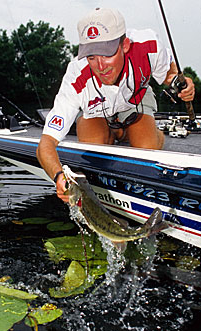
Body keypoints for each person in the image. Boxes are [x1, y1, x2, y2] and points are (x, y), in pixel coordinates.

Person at [37, 7, 195, 203]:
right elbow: (45, 145)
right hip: (96, 114)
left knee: (146, 151)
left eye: (107, 54)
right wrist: (58, 176)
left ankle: (150, 134)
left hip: (135, 100)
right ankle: (116, 134)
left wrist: (181, 83)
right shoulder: (75, 77)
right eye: (92, 57)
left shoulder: (149, 46)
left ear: (125, 45)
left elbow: (169, 74)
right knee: (93, 151)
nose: (101, 67)